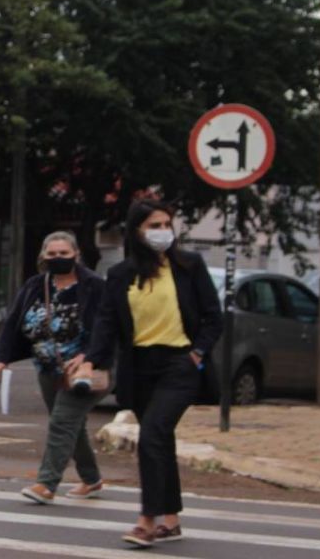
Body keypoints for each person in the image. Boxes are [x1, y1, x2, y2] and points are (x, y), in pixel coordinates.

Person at [85, 200, 221, 548]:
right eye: (153, 225)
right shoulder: (120, 275)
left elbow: (213, 317)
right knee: (160, 439)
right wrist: (92, 360)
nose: (162, 231)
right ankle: (171, 519)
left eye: (166, 224)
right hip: (140, 367)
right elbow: (107, 323)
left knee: (153, 435)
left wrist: (197, 353)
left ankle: (146, 520)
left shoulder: (189, 265)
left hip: (179, 364)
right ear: (136, 231)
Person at [0, 231, 108, 504]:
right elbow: (13, 323)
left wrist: (89, 355)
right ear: (43, 256)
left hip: (86, 369)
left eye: (64, 254)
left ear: (76, 255)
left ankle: (46, 483)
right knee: (70, 424)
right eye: (52, 254)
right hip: (47, 368)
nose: (58, 259)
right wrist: (1, 357)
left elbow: (107, 327)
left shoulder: (93, 286)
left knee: (62, 421)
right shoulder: (35, 285)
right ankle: (91, 479)